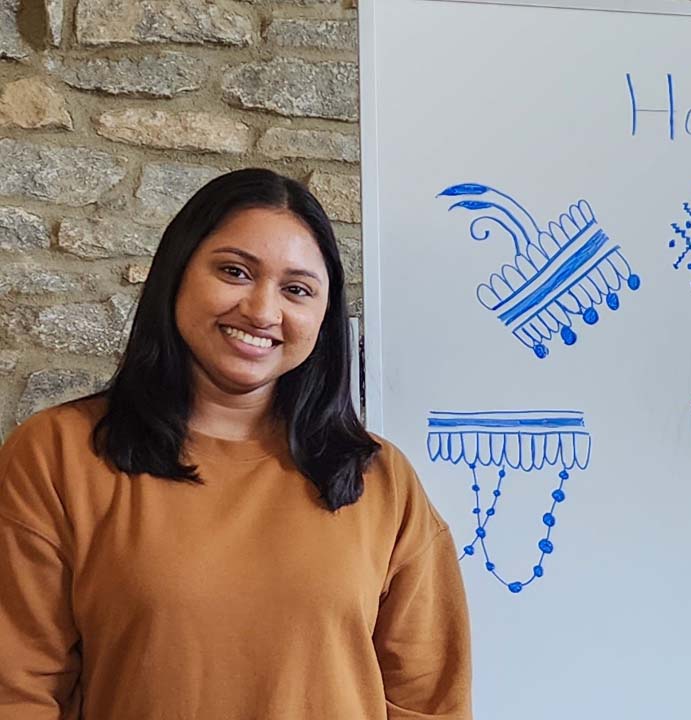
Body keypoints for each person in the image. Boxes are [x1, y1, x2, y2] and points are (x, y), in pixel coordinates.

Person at [0, 168, 473, 719]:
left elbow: (428, 700)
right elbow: (18, 689)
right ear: (177, 275)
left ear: (323, 315)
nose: (262, 311)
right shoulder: (58, 454)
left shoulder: (380, 479)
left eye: (296, 289)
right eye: (234, 271)